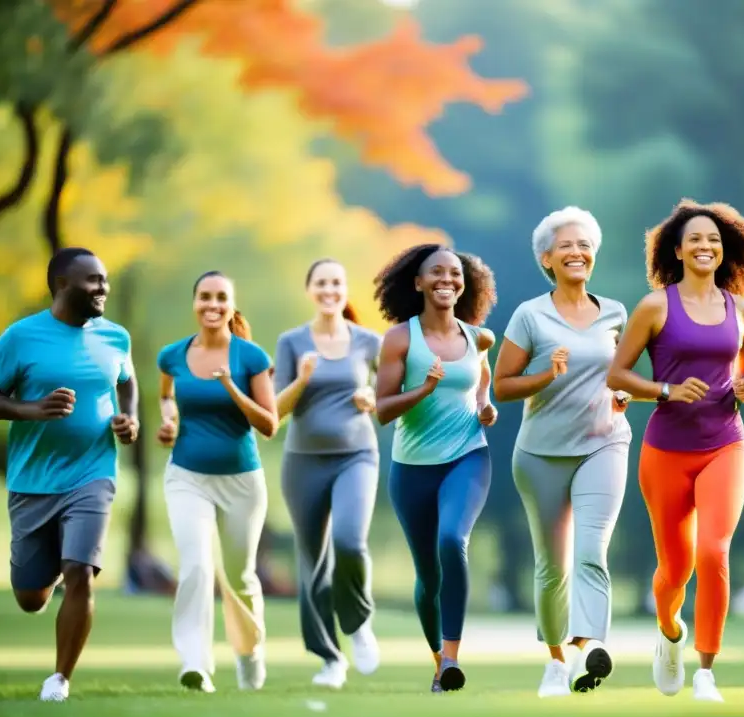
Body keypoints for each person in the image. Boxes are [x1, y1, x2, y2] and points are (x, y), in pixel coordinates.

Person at [607, 199, 744, 703]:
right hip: (666, 449)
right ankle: (669, 632)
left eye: (713, 239)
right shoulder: (655, 306)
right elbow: (616, 376)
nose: (705, 246)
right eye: (695, 240)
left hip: (725, 443)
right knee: (675, 570)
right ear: (678, 250)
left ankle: (706, 671)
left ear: (724, 249)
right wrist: (664, 390)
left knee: (714, 551)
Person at [493, 206, 632, 698]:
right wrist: (545, 376)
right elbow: (501, 385)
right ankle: (556, 660)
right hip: (541, 453)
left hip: (604, 442)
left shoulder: (615, 312)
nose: (577, 252)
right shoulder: (530, 315)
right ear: (547, 258)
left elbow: (622, 375)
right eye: (567, 246)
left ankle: (589, 647)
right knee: (553, 567)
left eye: (584, 245)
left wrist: (623, 395)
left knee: (592, 551)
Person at [0, 247, 137, 702]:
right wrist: (31, 410)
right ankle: (47, 572)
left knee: (80, 571)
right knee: (31, 597)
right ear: (61, 285)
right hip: (31, 481)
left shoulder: (115, 336)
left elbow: (126, 381)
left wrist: (129, 418)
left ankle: (59, 680)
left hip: (92, 473)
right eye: (93, 280)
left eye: (105, 279)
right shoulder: (20, 338)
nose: (103, 288)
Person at [373, 243, 498, 693]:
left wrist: (486, 407)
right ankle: (436, 663)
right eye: (437, 273)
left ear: (465, 284)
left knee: (452, 539)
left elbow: (481, 382)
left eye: (456, 273)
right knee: (427, 575)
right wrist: (423, 389)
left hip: (468, 455)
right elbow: (382, 410)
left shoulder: (478, 337)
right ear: (418, 283)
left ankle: (451, 659)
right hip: (411, 469)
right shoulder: (400, 340)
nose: (448, 279)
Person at [156, 271, 279, 693]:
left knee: (241, 577)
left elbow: (269, 425)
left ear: (231, 304)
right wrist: (168, 422)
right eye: (205, 297)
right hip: (187, 476)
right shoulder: (172, 355)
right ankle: (195, 663)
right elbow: (167, 396)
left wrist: (230, 386)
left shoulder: (251, 357)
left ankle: (249, 655)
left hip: (242, 482)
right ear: (195, 303)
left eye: (221, 298)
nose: (213, 305)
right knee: (195, 565)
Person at [274, 259, 382, 689]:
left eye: (336, 282)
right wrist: (302, 379)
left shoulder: (369, 342)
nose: (329, 290)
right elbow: (276, 412)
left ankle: (358, 623)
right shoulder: (292, 342)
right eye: (321, 283)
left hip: (356, 456)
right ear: (310, 290)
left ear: (345, 289)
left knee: (350, 543)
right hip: (303, 461)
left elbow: (387, 391)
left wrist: (371, 396)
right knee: (313, 564)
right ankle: (329, 658)